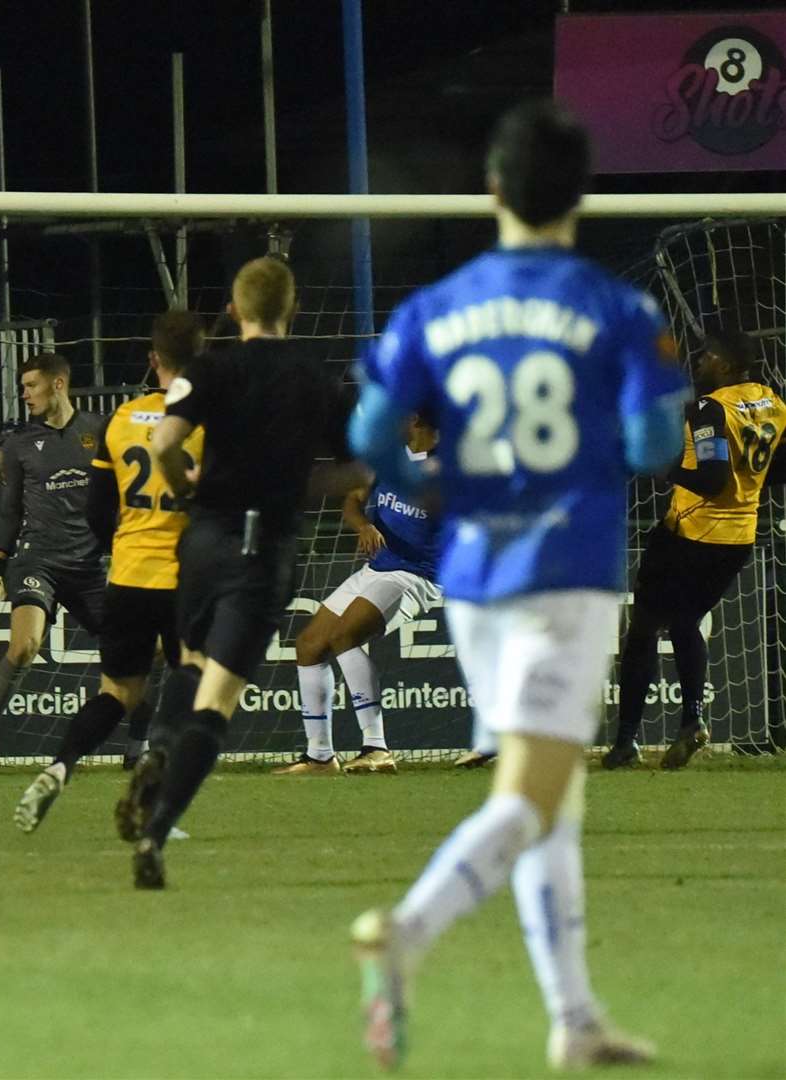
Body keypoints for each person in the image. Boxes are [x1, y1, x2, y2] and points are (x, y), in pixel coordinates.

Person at [346, 101, 688, 1071]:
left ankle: (573, 1021)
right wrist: (599, 453)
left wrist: (422, 484)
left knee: (548, 799)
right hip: (565, 573)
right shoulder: (618, 309)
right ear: (578, 196)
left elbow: (371, 437)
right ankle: (403, 933)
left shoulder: (435, 307)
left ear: (491, 189)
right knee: (536, 796)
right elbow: (656, 445)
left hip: (473, 579)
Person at [114, 256, 358, 888]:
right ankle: (156, 831)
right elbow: (362, 470)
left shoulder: (209, 367)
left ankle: (159, 750)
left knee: (187, 664)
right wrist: (298, 487)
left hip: (202, 540)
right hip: (265, 546)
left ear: (233, 308)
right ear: (293, 308)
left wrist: (187, 487)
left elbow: (164, 443)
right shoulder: (316, 378)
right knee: (217, 703)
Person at [13, 311, 204, 830]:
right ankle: (155, 791)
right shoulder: (210, 420)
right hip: (184, 579)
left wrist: (119, 547)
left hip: (127, 576)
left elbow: (97, 509)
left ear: (153, 361)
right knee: (194, 680)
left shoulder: (122, 419)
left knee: (116, 693)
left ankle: (59, 766)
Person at [605, 330, 784, 770]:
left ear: (724, 363)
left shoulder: (710, 409)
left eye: (706, 356)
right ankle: (691, 721)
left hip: (690, 536)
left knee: (645, 630)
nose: (700, 362)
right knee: (685, 622)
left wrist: (666, 467)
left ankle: (626, 742)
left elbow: (711, 479)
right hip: (737, 540)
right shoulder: (770, 401)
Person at [0, 353, 107, 770]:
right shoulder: (21, 445)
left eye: (31, 386)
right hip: (38, 562)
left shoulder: (99, 431)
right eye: (22, 387)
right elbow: (10, 511)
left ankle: (139, 746)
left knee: (139, 647)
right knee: (24, 646)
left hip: (91, 565)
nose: (24, 395)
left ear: (58, 384)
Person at [278, 414, 441, 776]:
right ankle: (320, 756)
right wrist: (364, 525)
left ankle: (377, 748)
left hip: (415, 575)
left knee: (344, 636)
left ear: (415, 419)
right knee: (308, 645)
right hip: (377, 567)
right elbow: (352, 501)